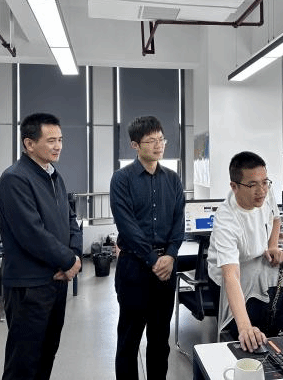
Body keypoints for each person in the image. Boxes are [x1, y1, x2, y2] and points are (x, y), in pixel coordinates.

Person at [0, 113, 82, 380]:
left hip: (56, 281)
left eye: (60, 140)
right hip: (29, 286)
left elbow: (71, 220)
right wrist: (69, 261)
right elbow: (31, 233)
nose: (58, 146)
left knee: (47, 354)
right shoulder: (14, 179)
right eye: (51, 140)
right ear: (29, 144)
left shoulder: (55, 176)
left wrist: (75, 255)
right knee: (24, 363)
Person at [109, 115, 185, 380]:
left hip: (166, 270)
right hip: (134, 268)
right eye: (151, 140)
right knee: (128, 341)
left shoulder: (173, 179)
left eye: (161, 139)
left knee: (160, 340)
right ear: (135, 145)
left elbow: (179, 222)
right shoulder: (121, 179)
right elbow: (127, 226)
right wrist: (154, 259)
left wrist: (171, 256)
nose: (158, 145)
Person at [207, 151, 283, 352]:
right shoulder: (226, 219)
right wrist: (244, 327)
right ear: (234, 187)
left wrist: (272, 245)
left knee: (264, 322)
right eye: (252, 185)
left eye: (264, 182)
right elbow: (231, 275)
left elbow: (276, 217)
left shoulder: (265, 191)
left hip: (256, 268)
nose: (261, 190)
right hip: (228, 277)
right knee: (237, 333)